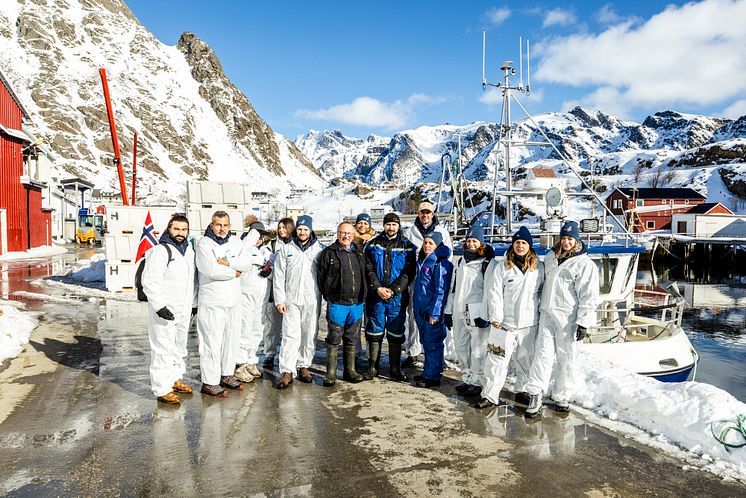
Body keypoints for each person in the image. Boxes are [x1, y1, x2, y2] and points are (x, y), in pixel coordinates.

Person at [524, 221, 599, 418]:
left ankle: (561, 395)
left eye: (570, 239)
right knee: (542, 355)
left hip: (569, 318)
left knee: (568, 358)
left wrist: (583, 321)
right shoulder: (550, 257)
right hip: (547, 314)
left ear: (577, 240)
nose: (566, 242)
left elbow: (589, 296)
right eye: (563, 238)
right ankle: (535, 393)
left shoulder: (585, 264)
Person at [475, 226, 544, 409]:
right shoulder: (502, 266)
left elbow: (542, 293)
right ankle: (489, 395)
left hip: (529, 323)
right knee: (495, 360)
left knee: (526, 358)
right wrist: (496, 318)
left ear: (530, 246)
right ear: (512, 245)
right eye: (517, 243)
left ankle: (522, 390)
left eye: (523, 243)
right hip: (504, 323)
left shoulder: (539, 267)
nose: (520, 246)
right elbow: (494, 292)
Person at [195, 211, 253, 397]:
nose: (221, 228)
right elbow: (210, 270)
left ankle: (226, 374)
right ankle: (210, 381)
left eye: (225, 225)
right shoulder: (204, 243)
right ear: (212, 225)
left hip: (233, 299)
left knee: (231, 338)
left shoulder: (236, 242)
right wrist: (234, 272)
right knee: (212, 340)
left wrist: (227, 262)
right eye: (218, 224)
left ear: (230, 226)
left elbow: (247, 263)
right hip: (213, 300)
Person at [142, 214, 197, 404]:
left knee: (179, 347)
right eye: (176, 229)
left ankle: (174, 379)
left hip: (183, 308)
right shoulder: (161, 250)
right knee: (162, 348)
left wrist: (193, 304)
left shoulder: (188, 251)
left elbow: (191, 281)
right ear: (168, 229)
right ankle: (161, 388)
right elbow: (149, 280)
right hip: (164, 309)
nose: (180, 233)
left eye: (184, 230)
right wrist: (159, 306)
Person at [362, 212, 415, 382]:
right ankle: (373, 367)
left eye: (394, 224)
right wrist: (377, 288)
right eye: (388, 224)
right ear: (383, 226)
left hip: (396, 297)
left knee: (395, 332)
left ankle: (394, 368)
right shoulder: (372, 245)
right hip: (376, 296)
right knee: (374, 331)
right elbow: (368, 269)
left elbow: (409, 272)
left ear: (398, 226)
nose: (391, 228)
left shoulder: (408, 246)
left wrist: (394, 290)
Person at [273, 215, 324, 389]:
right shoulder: (287, 249)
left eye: (306, 229)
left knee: (309, 333)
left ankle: (304, 366)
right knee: (290, 335)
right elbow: (279, 276)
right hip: (291, 299)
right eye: (300, 229)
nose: (302, 232)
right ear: (296, 230)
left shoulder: (319, 250)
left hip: (312, 299)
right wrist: (280, 299)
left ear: (310, 230)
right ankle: (287, 371)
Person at [443, 226, 494, 399]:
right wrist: (448, 311)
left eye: (475, 241)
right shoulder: (460, 261)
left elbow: (490, 290)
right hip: (459, 310)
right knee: (461, 347)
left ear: (481, 243)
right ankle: (467, 377)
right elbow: (453, 288)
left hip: (477, 310)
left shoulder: (487, 263)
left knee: (478, 349)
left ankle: (478, 381)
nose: (471, 244)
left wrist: (487, 314)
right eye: (469, 241)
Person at [403, 200, 453, 368]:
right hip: (415, 281)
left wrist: (442, 275)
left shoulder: (442, 232)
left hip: (434, 280)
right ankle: (414, 351)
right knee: (414, 317)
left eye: (428, 212)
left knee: (435, 318)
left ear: (433, 214)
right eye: (422, 212)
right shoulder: (410, 232)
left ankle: (438, 355)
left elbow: (449, 255)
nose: (425, 215)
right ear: (418, 214)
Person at [317, 221, 367, 386]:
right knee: (334, 337)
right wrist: (329, 294)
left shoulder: (358, 252)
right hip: (337, 302)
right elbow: (321, 277)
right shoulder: (329, 252)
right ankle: (330, 373)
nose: (345, 236)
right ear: (337, 234)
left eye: (349, 233)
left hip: (356, 303)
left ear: (353, 235)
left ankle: (349, 370)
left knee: (352, 337)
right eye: (342, 233)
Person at [412, 232, 453, 388]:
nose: (427, 246)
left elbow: (441, 290)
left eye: (431, 243)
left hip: (431, 310)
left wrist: (435, 312)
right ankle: (427, 372)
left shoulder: (441, 264)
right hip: (421, 308)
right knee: (425, 341)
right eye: (425, 242)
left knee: (434, 343)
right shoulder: (423, 261)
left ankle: (433, 376)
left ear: (438, 245)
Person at [235, 219, 272, 383]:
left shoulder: (264, 251)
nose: (258, 238)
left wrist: (267, 271)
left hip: (260, 296)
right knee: (244, 328)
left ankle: (251, 359)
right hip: (245, 295)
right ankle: (239, 364)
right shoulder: (242, 247)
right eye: (256, 234)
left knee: (257, 329)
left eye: (261, 236)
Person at [262, 218, 295, 367]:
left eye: (284, 227)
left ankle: (292, 357)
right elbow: (264, 264)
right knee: (272, 325)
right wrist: (269, 272)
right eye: (279, 227)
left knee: (291, 328)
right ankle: (269, 354)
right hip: (274, 289)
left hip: (293, 290)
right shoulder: (272, 245)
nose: (281, 230)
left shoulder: (296, 245)